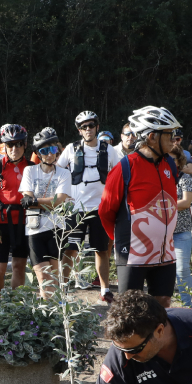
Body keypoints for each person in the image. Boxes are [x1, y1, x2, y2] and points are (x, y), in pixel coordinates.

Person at [99, 106, 181, 306]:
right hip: (134, 253)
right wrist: (121, 240)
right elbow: (106, 210)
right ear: (152, 137)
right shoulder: (125, 167)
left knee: (163, 303)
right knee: (130, 309)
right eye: (169, 134)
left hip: (165, 252)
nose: (174, 139)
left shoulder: (170, 164)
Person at [58, 110, 123, 302]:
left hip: (100, 209)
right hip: (75, 209)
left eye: (91, 125)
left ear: (97, 127)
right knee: (70, 249)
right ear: (79, 130)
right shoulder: (71, 149)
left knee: (101, 250)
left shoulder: (109, 150)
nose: (88, 129)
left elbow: (119, 174)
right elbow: (58, 171)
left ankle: (105, 289)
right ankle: (63, 287)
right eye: (83, 127)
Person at [19, 128, 71, 297]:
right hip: (34, 230)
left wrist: (35, 202)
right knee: (43, 278)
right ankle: (46, 311)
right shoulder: (29, 171)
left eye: (53, 149)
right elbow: (27, 200)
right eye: (45, 151)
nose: (50, 154)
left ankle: (55, 310)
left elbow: (58, 202)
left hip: (56, 229)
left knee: (54, 278)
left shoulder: (64, 173)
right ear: (37, 154)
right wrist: (44, 202)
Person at [0, 124, 31, 291]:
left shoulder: (32, 167)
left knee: (19, 266)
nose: (14, 149)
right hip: (2, 223)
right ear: (4, 146)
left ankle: (15, 303)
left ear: (25, 144)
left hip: (25, 223)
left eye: (18, 144)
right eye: (10, 145)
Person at [172, 149, 192, 307]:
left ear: (179, 161)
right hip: (160, 233)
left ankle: (187, 306)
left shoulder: (185, 178)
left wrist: (161, 206)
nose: (169, 162)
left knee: (182, 269)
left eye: (173, 159)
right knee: (162, 273)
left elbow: (186, 202)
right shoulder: (157, 177)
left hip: (181, 232)